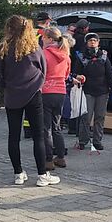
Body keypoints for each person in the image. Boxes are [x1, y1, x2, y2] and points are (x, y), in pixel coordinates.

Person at [0, 15, 60, 187]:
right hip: (33, 94)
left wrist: (5, 85)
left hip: (12, 95)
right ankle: (42, 175)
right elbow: (43, 68)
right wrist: (37, 82)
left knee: (13, 136)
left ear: (9, 29)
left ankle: (18, 173)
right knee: (38, 136)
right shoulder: (34, 47)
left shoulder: (3, 48)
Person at [41, 27, 81, 169]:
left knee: (46, 128)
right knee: (56, 126)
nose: (42, 39)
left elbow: (40, 73)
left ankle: (48, 160)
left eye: (44, 37)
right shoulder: (65, 55)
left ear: (50, 39)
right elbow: (66, 75)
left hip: (46, 91)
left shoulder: (44, 53)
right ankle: (61, 157)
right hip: (61, 92)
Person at [74, 32, 112, 151]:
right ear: (86, 43)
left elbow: (109, 74)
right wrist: (79, 78)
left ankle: (97, 141)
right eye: (90, 41)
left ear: (98, 43)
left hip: (102, 91)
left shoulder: (104, 56)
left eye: (95, 41)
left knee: (100, 117)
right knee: (86, 117)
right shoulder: (81, 57)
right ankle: (83, 141)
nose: (92, 43)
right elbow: (76, 73)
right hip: (87, 91)